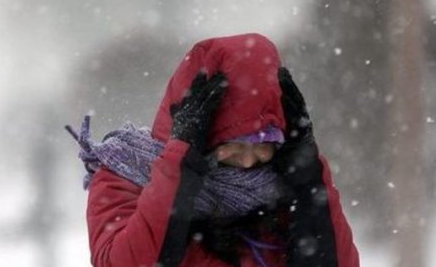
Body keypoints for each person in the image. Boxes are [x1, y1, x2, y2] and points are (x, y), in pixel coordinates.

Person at [66, 33, 360, 267]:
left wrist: (310, 181)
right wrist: (180, 169)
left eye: (263, 146)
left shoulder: (284, 189)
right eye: (231, 146)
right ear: (201, 136)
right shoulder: (126, 176)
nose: (247, 161)